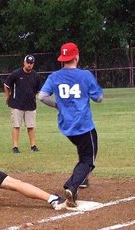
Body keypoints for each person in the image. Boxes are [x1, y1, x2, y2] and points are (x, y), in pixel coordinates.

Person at [38, 42, 104, 207]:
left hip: (66, 126)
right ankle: (72, 186)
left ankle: (77, 182)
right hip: (84, 125)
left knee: (83, 155)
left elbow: (42, 96)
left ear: (63, 58)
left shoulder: (54, 76)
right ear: (76, 56)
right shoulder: (85, 75)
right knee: (88, 160)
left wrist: (58, 105)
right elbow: (99, 98)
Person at [3, 55, 41, 153]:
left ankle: (33, 146)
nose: (29, 65)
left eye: (31, 63)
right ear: (24, 63)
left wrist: (31, 96)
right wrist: (7, 97)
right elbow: (6, 85)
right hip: (17, 105)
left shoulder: (36, 76)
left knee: (31, 126)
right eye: (28, 63)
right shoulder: (16, 74)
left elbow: (37, 90)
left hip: (30, 105)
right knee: (16, 126)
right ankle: (15, 147)